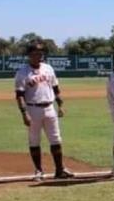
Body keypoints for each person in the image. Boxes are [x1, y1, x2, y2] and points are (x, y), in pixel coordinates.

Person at [14, 42, 73, 181]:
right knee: (34, 141)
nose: (38, 56)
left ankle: (59, 170)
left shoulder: (48, 68)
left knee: (56, 140)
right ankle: (39, 171)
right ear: (29, 55)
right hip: (33, 109)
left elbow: (55, 88)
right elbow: (19, 95)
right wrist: (24, 113)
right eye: (35, 53)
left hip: (49, 108)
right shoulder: (22, 72)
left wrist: (60, 105)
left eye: (40, 53)